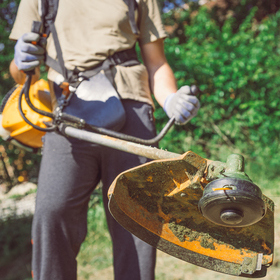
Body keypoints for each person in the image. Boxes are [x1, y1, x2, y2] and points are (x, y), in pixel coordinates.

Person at [9, 0, 200, 279]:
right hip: (67, 113)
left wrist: (170, 98)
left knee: (136, 218)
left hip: (131, 108)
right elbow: (20, 75)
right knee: (52, 213)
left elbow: (157, 63)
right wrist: (20, 61)